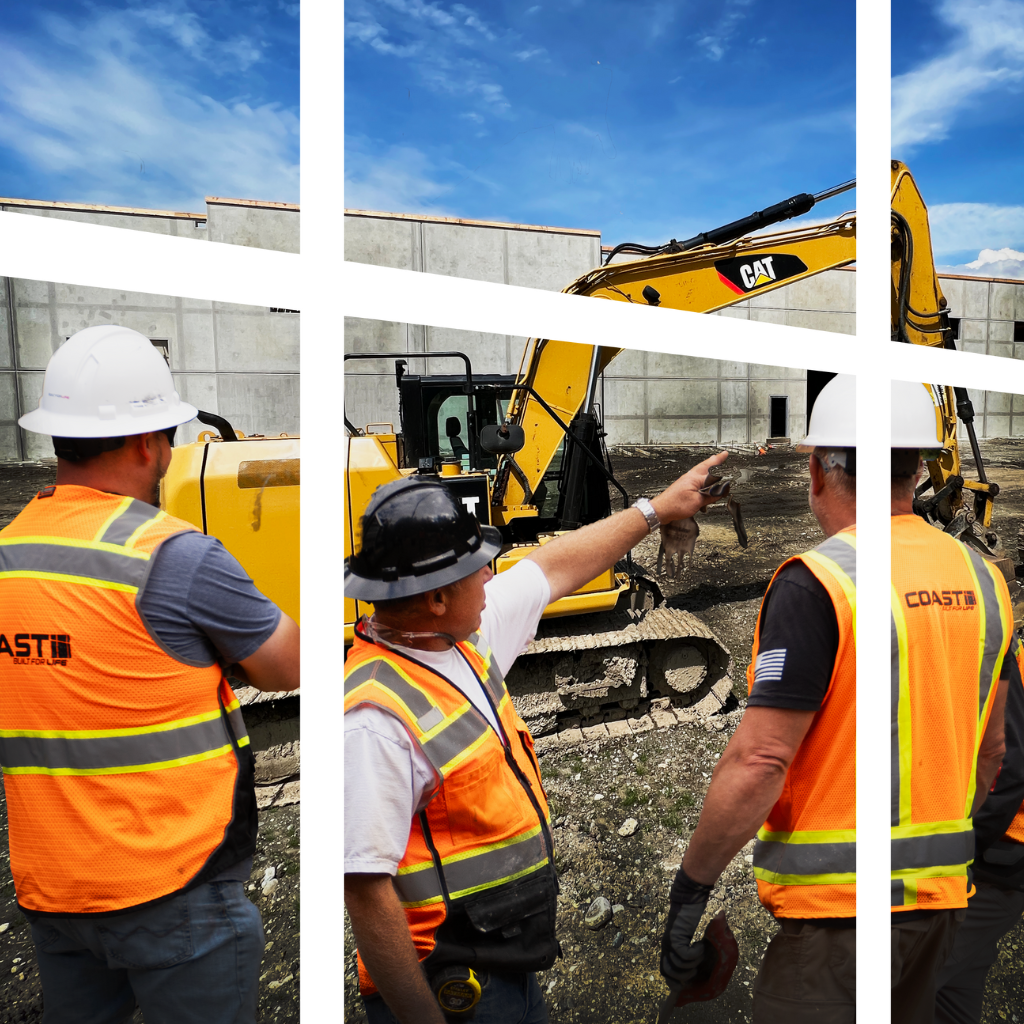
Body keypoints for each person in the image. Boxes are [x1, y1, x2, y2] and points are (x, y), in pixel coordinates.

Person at [343, 449, 732, 1024]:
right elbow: (365, 892)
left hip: (506, 958)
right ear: (436, 597)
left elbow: (552, 568)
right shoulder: (374, 720)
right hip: (448, 985)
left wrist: (656, 509)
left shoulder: (458, 640)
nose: (490, 573)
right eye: (477, 565)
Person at [0, 324, 300, 1024]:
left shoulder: (10, 552)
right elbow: (285, 665)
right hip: (172, 887)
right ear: (145, 443)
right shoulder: (173, 556)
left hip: (55, 893)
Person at [659, 372, 857, 1023]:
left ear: (819, 472)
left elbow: (761, 759)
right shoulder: (978, 577)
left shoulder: (816, 584)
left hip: (836, 913)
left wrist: (690, 892)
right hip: (944, 904)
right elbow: (994, 750)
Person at [889, 380, 1017, 1024]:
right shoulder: (992, 598)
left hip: (1001, 852)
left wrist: (964, 843)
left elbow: (1005, 759)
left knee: (946, 986)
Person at [933, 632, 1024, 1024]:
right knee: (950, 998)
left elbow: (1007, 769)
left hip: (995, 862)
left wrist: (958, 850)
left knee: (892, 989)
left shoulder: (1005, 653)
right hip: (1001, 859)